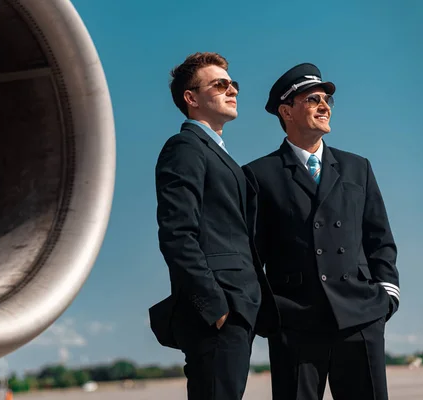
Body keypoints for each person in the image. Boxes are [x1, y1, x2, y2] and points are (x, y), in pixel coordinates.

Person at [243, 63, 400, 400]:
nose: (324, 105)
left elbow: (380, 239)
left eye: (327, 99)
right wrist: (267, 314)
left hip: (360, 316)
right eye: (312, 99)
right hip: (296, 323)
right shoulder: (258, 174)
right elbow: (251, 254)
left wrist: (386, 295)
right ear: (286, 111)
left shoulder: (358, 167)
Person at [149, 52, 278, 400]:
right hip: (220, 310)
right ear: (191, 98)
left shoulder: (217, 153)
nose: (231, 90)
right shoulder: (185, 148)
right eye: (219, 84)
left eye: (232, 83)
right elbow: (177, 233)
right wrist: (215, 307)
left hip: (238, 307)